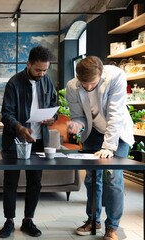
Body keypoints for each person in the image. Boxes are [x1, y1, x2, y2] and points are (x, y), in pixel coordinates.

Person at [66, 56, 134, 240]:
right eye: (84, 83)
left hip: (116, 134)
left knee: (112, 177)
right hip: (94, 132)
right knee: (91, 177)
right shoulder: (72, 86)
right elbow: (78, 115)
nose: (87, 87)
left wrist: (109, 148)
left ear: (101, 75)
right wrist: (76, 124)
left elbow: (115, 114)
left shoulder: (116, 77)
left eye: (92, 83)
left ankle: (111, 227)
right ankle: (92, 220)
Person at [0, 45, 58, 238]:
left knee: (35, 182)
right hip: (15, 139)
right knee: (11, 182)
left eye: (44, 70)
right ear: (28, 64)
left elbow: (53, 107)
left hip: (39, 140)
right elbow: (5, 114)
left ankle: (28, 221)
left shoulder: (47, 81)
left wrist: (52, 118)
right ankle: (9, 222)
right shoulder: (14, 83)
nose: (41, 73)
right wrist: (20, 128)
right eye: (38, 69)